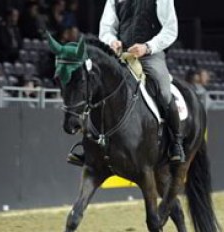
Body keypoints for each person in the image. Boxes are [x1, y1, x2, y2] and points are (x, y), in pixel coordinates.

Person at [67, 0, 185, 165]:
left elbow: (170, 29)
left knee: (163, 89)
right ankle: (89, 144)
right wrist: (111, 41)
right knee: (96, 86)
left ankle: (175, 142)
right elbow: (106, 28)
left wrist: (147, 46)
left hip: (149, 55)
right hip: (120, 54)